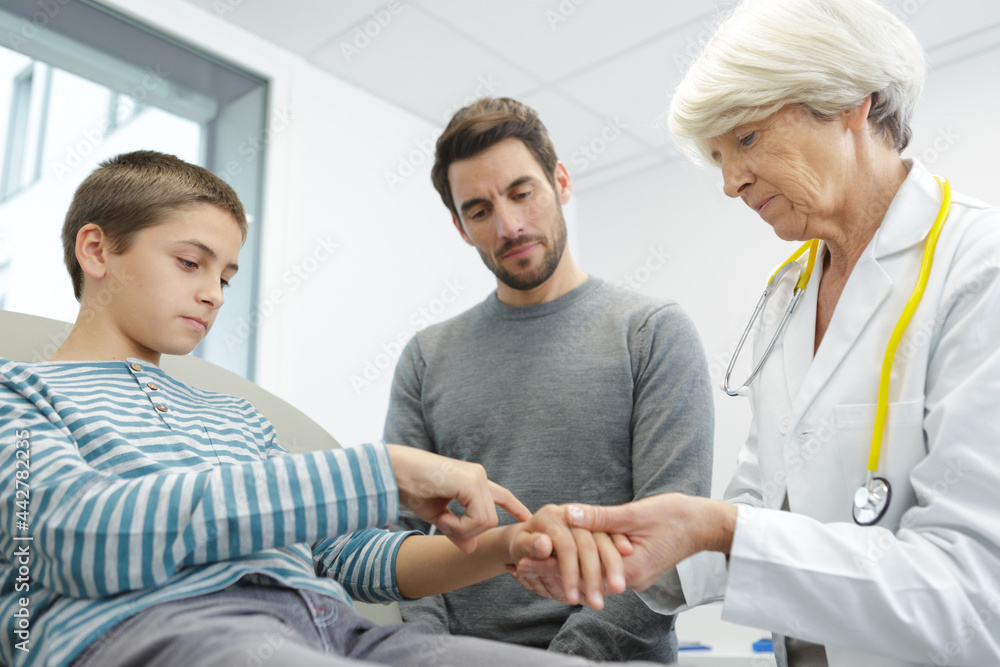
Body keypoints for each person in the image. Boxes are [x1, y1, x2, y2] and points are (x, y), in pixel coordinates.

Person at [0, 151, 663, 667]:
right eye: (190, 263)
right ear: (97, 250)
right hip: (160, 629)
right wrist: (383, 471)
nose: (213, 295)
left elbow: (350, 557)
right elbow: (78, 536)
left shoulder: (237, 419)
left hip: (336, 629)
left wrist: (503, 547)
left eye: (225, 277)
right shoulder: (18, 393)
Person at [510, 1, 1000, 666]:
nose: (731, 183)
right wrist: (640, 559)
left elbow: (974, 592)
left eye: (745, 140)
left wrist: (716, 527)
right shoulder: (788, 291)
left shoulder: (979, 268)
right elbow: (762, 500)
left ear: (851, 101)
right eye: (717, 157)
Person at [384, 97, 714, 662]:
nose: (509, 226)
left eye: (521, 193)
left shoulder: (652, 332)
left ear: (560, 182)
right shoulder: (426, 356)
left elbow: (669, 539)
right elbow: (401, 534)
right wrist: (433, 654)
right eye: (480, 209)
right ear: (461, 227)